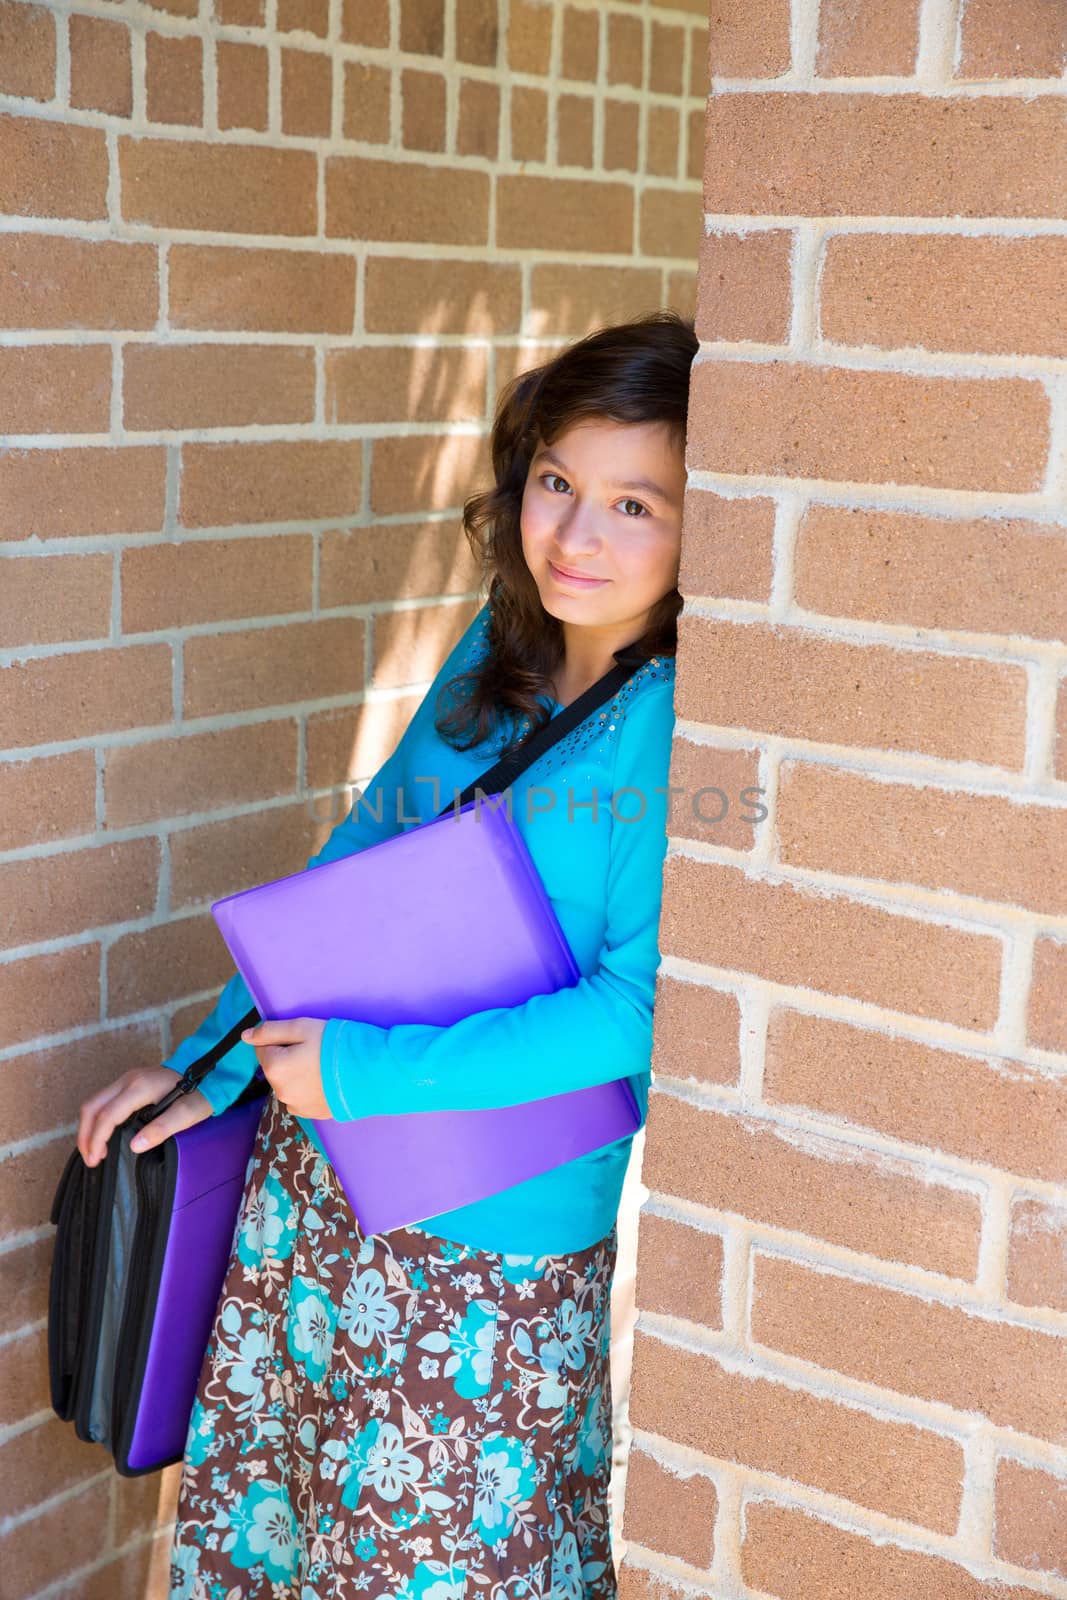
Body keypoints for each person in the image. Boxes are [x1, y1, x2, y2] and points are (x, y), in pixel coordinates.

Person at [77, 309, 696, 1600]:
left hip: (492, 1247)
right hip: (322, 1186)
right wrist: (211, 1069)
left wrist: (358, 1074)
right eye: (557, 484)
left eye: (636, 504)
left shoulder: (674, 721)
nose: (577, 537)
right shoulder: (502, 641)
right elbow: (351, 875)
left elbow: (635, 1016)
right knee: (282, 1540)